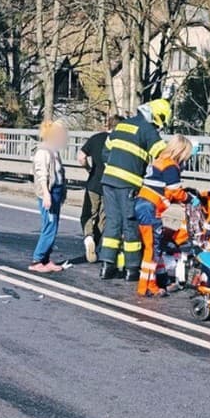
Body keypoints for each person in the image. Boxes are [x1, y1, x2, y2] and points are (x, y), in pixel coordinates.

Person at [98, 98, 170, 281]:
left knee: (112, 222)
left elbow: (105, 153)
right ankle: (132, 269)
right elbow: (163, 155)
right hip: (128, 184)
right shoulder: (148, 129)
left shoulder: (123, 125)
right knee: (130, 225)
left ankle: (107, 266)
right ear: (157, 116)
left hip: (108, 181)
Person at [133, 136, 194, 296]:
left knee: (153, 247)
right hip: (151, 208)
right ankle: (147, 286)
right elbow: (175, 191)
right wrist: (189, 199)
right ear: (181, 151)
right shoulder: (171, 166)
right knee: (153, 249)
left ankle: (155, 281)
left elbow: (162, 189)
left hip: (143, 204)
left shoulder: (159, 161)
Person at [29, 121, 68, 273]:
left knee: (53, 225)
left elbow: (58, 174)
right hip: (49, 192)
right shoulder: (43, 152)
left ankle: (45, 258)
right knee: (50, 226)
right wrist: (46, 194)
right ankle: (37, 260)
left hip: (56, 191)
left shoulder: (53, 151)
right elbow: (41, 174)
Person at [78, 115, 116, 263]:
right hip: (111, 184)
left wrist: (89, 169)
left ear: (108, 125)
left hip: (94, 182)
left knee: (88, 213)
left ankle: (89, 239)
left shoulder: (96, 138)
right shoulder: (121, 141)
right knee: (103, 217)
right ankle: (98, 245)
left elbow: (81, 157)